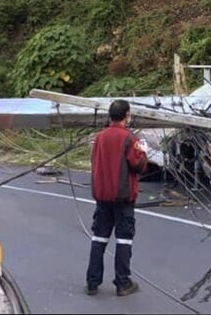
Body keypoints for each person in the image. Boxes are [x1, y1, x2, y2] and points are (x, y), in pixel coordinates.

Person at [85, 100, 148, 297]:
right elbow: (138, 165)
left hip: (102, 196)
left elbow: (93, 161)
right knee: (124, 240)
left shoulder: (100, 137)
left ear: (110, 115)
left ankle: (92, 283)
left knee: (99, 238)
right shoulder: (129, 138)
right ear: (127, 115)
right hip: (123, 197)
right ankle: (122, 283)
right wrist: (144, 153)